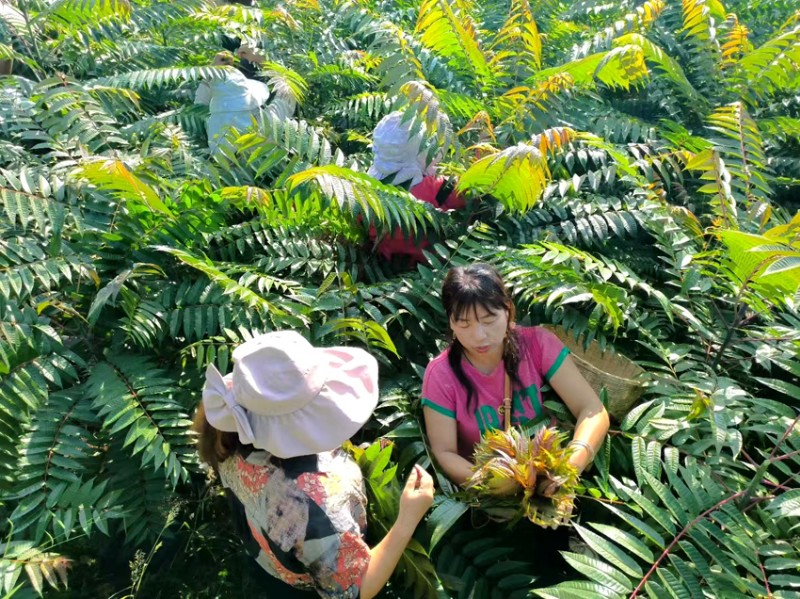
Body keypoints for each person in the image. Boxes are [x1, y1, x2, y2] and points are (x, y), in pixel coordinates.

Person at [193, 331, 435, 598]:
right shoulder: (322, 504)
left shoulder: (228, 436)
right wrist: (408, 518)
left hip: (267, 564)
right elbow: (356, 590)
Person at [421, 263, 610, 494]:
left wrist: (570, 468)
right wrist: (497, 485)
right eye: (464, 323)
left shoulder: (537, 345)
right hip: (493, 504)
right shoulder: (441, 376)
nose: (479, 336)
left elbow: (592, 409)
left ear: (509, 311)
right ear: (451, 322)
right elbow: (445, 452)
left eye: (489, 320)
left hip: (556, 484)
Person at [367, 111, 466, 266]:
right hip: (431, 268)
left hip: (382, 265)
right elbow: (471, 195)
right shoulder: (437, 189)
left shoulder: (364, 189)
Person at [194, 49, 271, 153]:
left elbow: (199, 105)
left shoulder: (215, 122)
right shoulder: (265, 117)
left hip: (221, 154)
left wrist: (213, 70)